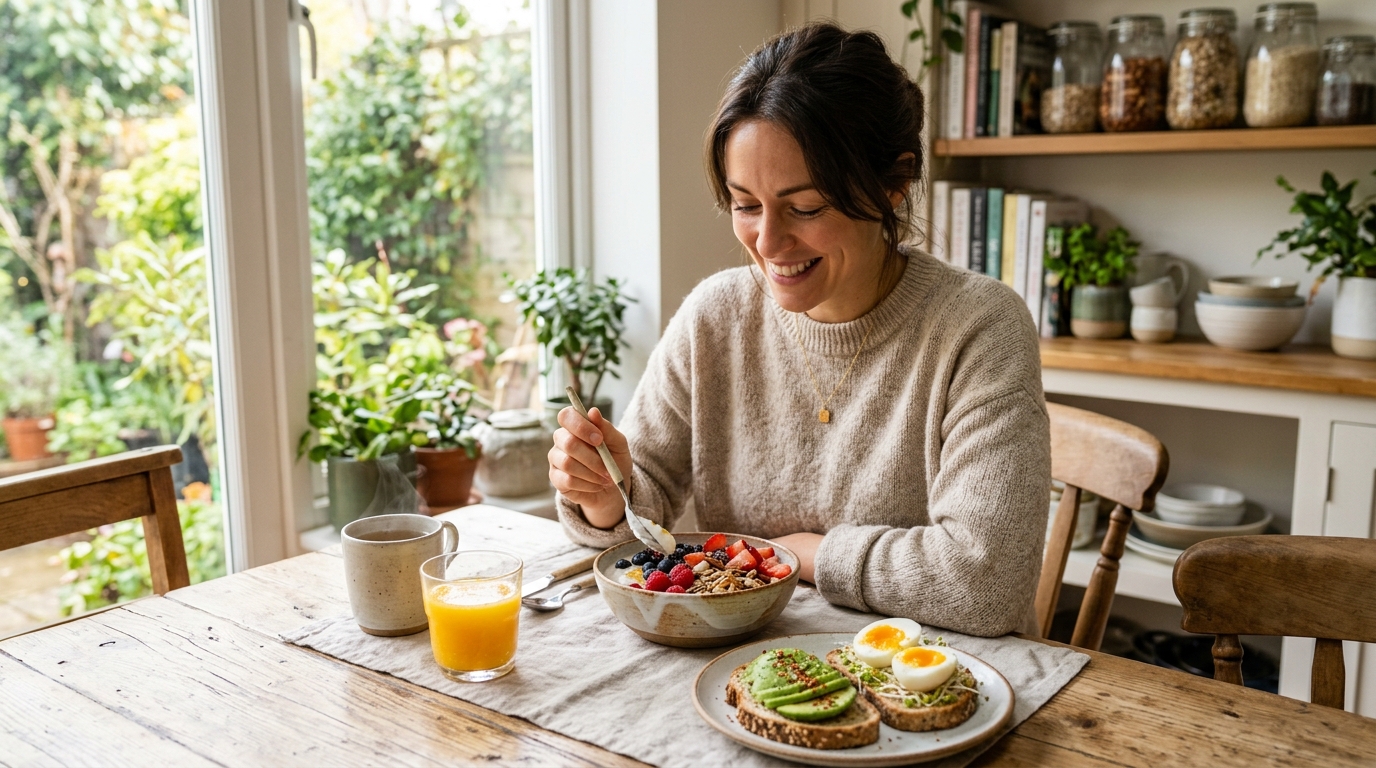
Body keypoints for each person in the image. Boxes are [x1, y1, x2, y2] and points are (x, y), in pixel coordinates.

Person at [547, 22, 1050, 637]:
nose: (767, 242)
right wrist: (606, 498)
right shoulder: (715, 317)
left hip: (941, 673)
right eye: (745, 204)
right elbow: (642, 525)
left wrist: (806, 553)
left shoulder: (979, 327)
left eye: (805, 208)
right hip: (756, 666)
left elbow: (985, 584)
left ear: (893, 184)